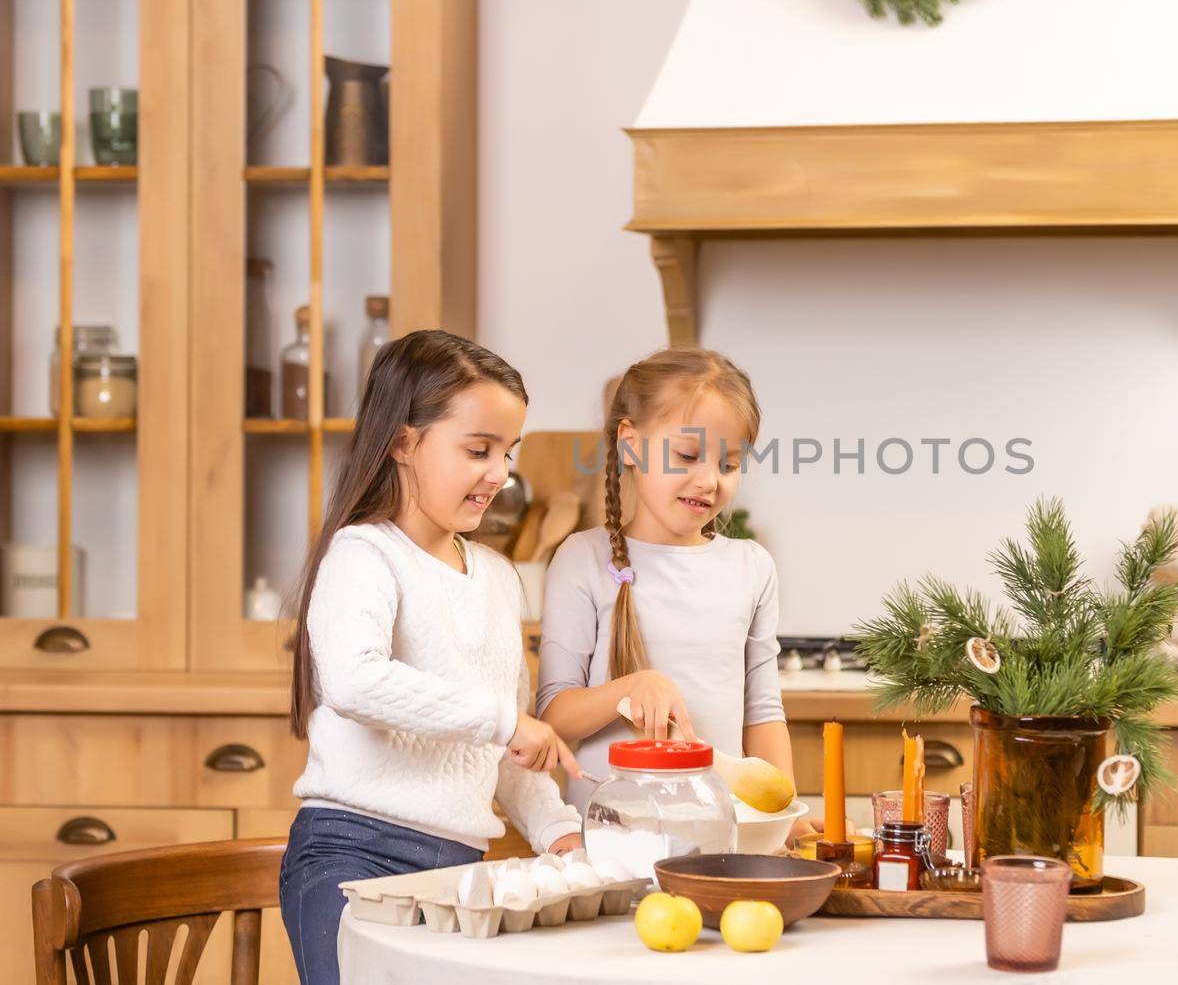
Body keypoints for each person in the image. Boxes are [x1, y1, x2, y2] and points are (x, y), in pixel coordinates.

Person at [279, 330, 580, 985]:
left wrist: (558, 828)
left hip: (460, 875)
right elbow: (356, 680)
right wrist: (505, 722)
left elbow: (499, 748)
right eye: (479, 449)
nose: (500, 474)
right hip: (354, 859)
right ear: (403, 442)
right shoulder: (364, 555)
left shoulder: (499, 577)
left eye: (508, 452)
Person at [538, 347, 807, 838]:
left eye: (729, 464)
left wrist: (782, 819)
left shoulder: (751, 568)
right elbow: (553, 715)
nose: (709, 481)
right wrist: (628, 688)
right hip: (608, 844)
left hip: (719, 839)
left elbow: (763, 713)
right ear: (631, 445)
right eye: (687, 455)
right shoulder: (582, 559)